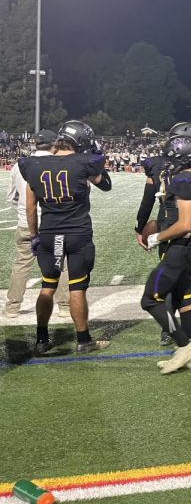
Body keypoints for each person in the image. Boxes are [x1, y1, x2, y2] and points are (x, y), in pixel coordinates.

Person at [22, 121, 112, 355]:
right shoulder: (85, 163)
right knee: (77, 288)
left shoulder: (33, 165)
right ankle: (83, 340)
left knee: (47, 286)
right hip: (77, 233)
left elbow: (30, 207)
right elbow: (106, 185)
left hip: (50, 234)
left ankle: (42, 339)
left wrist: (34, 236)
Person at [141, 135, 191, 373]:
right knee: (184, 300)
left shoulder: (183, 180)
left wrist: (157, 237)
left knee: (151, 299)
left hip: (179, 249)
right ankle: (187, 355)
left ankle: (184, 346)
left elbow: (184, 224)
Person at [5, 129, 70, 319]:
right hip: (53, 223)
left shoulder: (20, 165)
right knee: (60, 264)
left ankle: (12, 307)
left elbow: (12, 197)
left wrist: (23, 213)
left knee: (21, 265)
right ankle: (64, 305)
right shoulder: (60, 163)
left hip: (26, 222)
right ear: (55, 143)